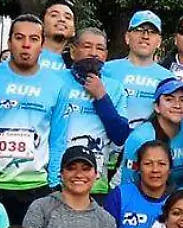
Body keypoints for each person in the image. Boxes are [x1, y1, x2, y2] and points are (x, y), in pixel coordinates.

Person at [0, 14, 68, 225]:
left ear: (42, 44)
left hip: (34, 186)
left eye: (33, 39)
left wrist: (54, 182)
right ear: (9, 42)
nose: (26, 45)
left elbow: (57, 138)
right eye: (19, 38)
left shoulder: (56, 84)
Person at [53, 26, 132, 196]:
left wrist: (101, 97)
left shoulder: (115, 87)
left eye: (100, 48)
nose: (94, 53)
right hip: (57, 180)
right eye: (87, 46)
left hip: (96, 184)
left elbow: (120, 135)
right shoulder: (55, 81)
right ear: (73, 51)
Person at [103, 140, 176, 228]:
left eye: (162, 164)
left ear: (170, 169)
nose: (155, 170)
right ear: (138, 168)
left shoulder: (180, 201)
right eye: (148, 164)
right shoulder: (119, 196)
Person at [101, 9, 171, 130]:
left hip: (148, 145)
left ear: (159, 41)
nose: (145, 36)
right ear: (127, 37)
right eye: (139, 30)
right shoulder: (106, 70)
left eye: (152, 32)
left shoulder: (168, 78)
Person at [120, 76, 183, 190]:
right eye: (169, 99)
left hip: (178, 200)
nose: (177, 105)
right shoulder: (140, 137)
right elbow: (128, 182)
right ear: (157, 107)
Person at [39, 0, 78, 69]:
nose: (62, 19)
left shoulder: (76, 65)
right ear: (41, 24)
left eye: (67, 17)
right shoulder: (26, 54)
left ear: (74, 31)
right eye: (54, 15)